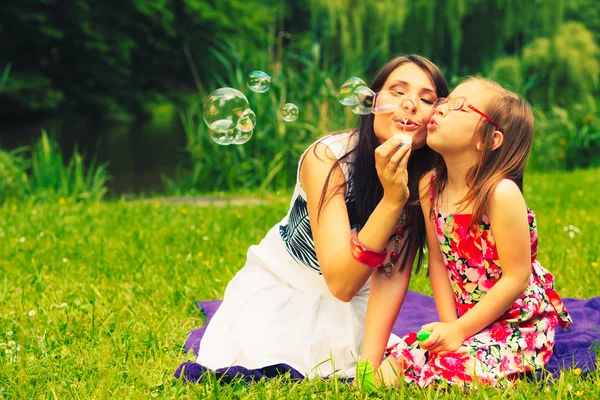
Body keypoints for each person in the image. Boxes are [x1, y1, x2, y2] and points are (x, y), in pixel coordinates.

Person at [192, 55, 449, 378]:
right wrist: (392, 200)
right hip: (289, 288)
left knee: (370, 356)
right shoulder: (328, 157)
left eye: (426, 99)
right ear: (372, 101)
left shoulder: (425, 177)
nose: (411, 104)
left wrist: (368, 367)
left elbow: (393, 273)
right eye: (397, 92)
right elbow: (341, 283)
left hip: (359, 298)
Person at [361, 77, 572, 387]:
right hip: (465, 319)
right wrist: (451, 328)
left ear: (489, 140)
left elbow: (517, 277)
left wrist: (460, 333)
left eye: (459, 107)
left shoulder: (501, 193)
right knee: (397, 364)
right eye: (446, 102)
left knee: (452, 367)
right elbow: (438, 263)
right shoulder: (430, 186)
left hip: (516, 323)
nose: (442, 109)